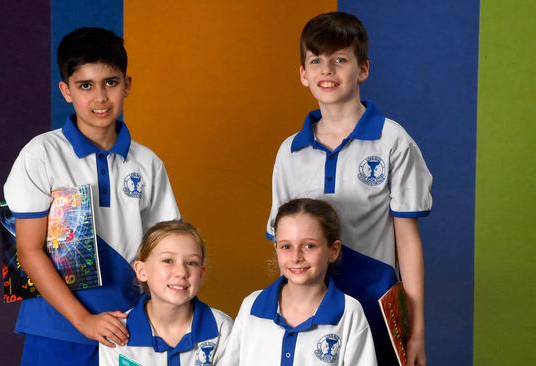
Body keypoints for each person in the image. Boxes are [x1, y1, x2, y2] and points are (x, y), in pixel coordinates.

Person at [3, 27, 180, 365]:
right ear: (66, 91)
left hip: (127, 326)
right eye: (86, 85)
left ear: (127, 85)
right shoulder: (41, 154)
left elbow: (166, 250)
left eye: (110, 83)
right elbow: (27, 251)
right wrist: (83, 320)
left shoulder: (148, 163)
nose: (100, 97)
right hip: (56, 328)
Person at [266, 12, 432, 366]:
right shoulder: (290, 152)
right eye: (316, 61)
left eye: (339, 59)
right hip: (313, 302)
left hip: (374, 299)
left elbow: (407, 238)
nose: (327, 71)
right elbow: (284, 243)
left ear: (363, 70)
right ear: (303, 74)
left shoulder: (392, 141)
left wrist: (416, 330)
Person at [225, 198, 377, 365]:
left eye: (309, 246)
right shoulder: (251, 307)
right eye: (286, 246)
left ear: (333, 251)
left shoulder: (349, 313)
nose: (296, 257)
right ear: (276, 249)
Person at [99, 220, 233, 365]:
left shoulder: (222, 328)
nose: (181, 272)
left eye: (191, 263)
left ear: (201, 274)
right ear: (142, 271)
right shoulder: (117, 332)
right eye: (168, 260)